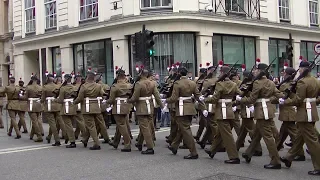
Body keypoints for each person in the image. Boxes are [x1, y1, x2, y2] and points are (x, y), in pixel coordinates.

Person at [236, 63, 283, 169]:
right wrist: (284, 98)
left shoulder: (257, 82)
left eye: (256, 70)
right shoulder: (270, 82)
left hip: (261, 111)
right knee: (257, 135)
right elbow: (278, 93)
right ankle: (248, 153)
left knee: (268, 137)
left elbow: (252, 99)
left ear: (260, 71)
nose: (254, 71)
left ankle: (275, 160)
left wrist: (240, 100)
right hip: (268, 110)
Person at [279, 61, 320, 176]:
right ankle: (289, 157)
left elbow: (298, 100)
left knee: (312, 142)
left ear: (302, 69)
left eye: (300, 68)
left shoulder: (302, 81)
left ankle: (318, 166)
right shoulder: (316, 81)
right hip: (312, 112)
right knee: (299, 138)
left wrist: (285, 101)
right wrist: (312, 102)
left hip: (304, 114)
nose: (299, 70)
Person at [165, 65, 206, 159]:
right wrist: (203, 108)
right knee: (183, 128)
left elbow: (174, 98)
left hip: (182, 108)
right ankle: (174, 146)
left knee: (186, 130)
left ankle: (193, 152)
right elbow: (198, 96)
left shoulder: (177, 83)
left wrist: (166, 100)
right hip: (190, 108)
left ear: (179, 73)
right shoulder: (192, 83)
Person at [202, 66, 240, 164]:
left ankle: (234, 156)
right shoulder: (233, 84)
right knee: (220, 133)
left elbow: (215, 99)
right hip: (230, 111)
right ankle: (212, 150)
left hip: (222, 112)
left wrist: (204, 99)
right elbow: (240, 95)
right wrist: (234, 103)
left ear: (223, 73)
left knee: (227, 135)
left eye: (220, 72)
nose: (219, 73)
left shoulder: (220, 84)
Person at [128, 66, 163, 155]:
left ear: (140, 74)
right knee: (145, 126)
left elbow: (135, 97)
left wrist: (129, 100)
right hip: (150, 106)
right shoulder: (152, 83)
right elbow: (157, 95)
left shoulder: (139, 84)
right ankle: (139, 143)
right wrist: (162, 106)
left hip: (142, 107)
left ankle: (150, 147)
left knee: (144, 127)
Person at [73, 69, 110, 150]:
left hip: (87, 107)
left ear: (87, 78)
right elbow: (103, 95)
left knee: (91, 126)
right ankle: (105, 138)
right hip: (97, 107)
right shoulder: (98, 86)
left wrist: (74, 102)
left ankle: (96, 143)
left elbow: (80, 97)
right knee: (101, 123)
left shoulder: (84, 86)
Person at [105, 68, 132, 152]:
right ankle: (115, 142)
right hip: (127, 105)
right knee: (120, 124)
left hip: (118, 106)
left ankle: (127, 143)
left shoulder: (115, 86)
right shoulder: (129, 85)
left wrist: (106, 102)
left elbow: (111, 99)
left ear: (117, 76)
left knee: (121, 125)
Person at [19, 74, 43, 142]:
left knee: (34, 121)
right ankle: (31, 135)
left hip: (31, 104)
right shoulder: (40, 87)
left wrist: (20, 96)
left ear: (32, 80)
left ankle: (39, 136)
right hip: (38, 104)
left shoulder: (28, 87)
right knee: (35, 120)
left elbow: (25, 97)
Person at [42, 73, 62, 146]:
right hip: (57, 105)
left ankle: (57, 139)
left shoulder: (45, 87)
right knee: (58, 122)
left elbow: (43, 98)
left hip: (49, 105)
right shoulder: (57, 86)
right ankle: (49, 136)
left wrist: (41, 102)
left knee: (52, 123)